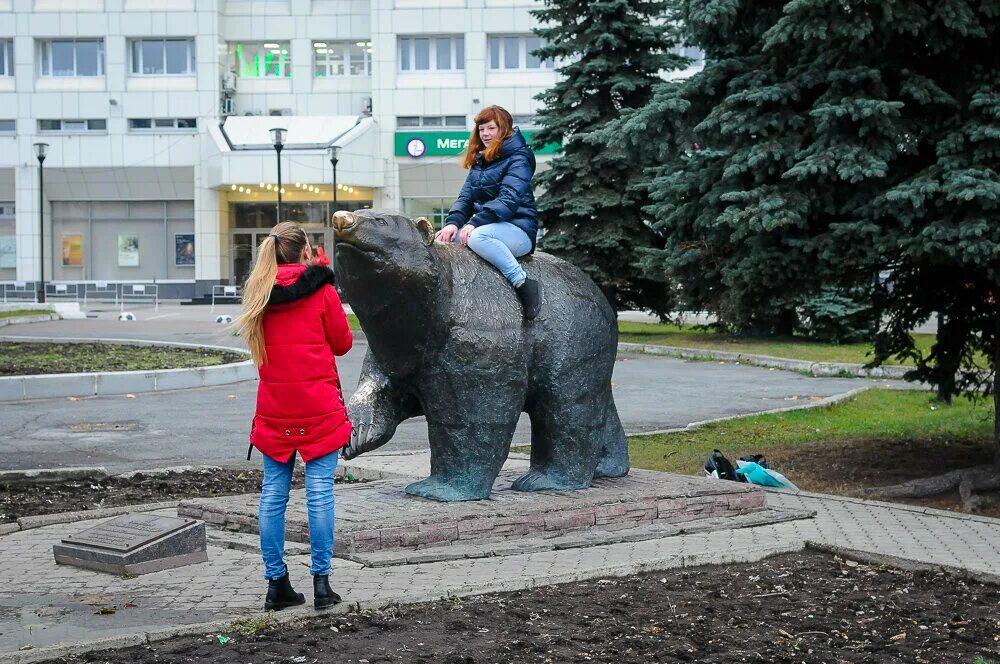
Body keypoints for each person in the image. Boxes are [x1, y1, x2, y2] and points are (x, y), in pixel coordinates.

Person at [234, 221, 353, 611]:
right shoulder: (322, 290)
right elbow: (343, 343)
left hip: (275, 409)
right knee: (319, 493)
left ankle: (276, 585)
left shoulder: (258, 293)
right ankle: (321, 584)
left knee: (273, 495)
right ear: (306, 250)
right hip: (318, 407)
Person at [436, 105, 542, 319]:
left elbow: (509, 200)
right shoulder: (480, 161)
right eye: (481, 129)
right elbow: (466, 198)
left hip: (518, 229)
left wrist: (475, 223)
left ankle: (523, 283)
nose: (485, 134)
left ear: (504, 129)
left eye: (491, 128)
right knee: (440, 240)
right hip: (486, 226)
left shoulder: (519, 158)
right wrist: (452, 223)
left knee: (477, 237)